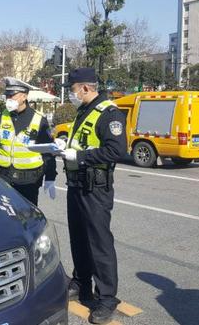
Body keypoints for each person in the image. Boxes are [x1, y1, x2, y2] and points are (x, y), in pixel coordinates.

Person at [59, 67, 127, 324]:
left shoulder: (109, 114)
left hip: (96, 189)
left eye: (73, 90)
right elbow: (84, 141)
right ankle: (81, 283)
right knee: (78, 238)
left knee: (99, 243)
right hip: (76, 185)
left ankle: (107, 298)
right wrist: (65, 147)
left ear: (85, 88)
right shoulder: (83, 111)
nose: (72, 95)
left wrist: (81, 156)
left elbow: (116, 150)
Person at [0, 77, 57, 205]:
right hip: (2, 178)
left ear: (24, 96)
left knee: (27, 219)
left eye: (12, 96)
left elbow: (48, 152)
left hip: (29, 181)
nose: (8, 99)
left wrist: (50, 177)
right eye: (7, 96)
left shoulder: (39, 120)